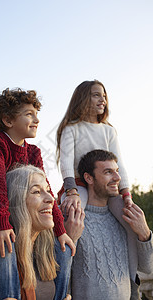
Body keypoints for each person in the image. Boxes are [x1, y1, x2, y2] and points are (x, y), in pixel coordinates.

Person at [0, 88, 75, 300]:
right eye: (29, 114)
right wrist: (0, 224)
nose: (36, 119)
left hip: (22, 215)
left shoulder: (33, 152)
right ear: (8, 120)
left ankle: (61, 296)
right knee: (5, 243)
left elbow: (46, 190)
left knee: (61, 246)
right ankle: (9, 296)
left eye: (37, 114)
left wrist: (60, 228)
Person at [0, 165, 83, 300]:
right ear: (16, 202)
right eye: (36, 192)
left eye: (48, 190)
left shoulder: (53, 254)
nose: (50, 199)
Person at [56, 80, 136, 277]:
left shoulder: (109, 130)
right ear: (83, 99)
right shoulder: (71, 128)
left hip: (108, 188)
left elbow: (120, 163)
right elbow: (65, 161)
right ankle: (63, 277)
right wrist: (71, 191)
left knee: (131, 220)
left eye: (104, 95)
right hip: (80, 185)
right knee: (72, 213)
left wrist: (126, 193)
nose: (103, 100)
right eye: (96, 95)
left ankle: (133, 280)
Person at [70, 150, 153, 300]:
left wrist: (144, 233)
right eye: (108, 172)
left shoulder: (125, 218)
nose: (117, 178)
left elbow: (147, 268)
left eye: (117, 171)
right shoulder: (74, 220)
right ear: (89, 178)